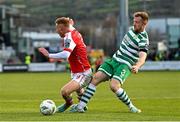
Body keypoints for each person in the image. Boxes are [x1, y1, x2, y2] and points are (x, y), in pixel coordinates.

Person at [70, 11, 149, 113]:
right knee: (95, 79)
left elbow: (143, 57)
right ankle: (80, 107)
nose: (134, 24)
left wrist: (137, 66)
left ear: (144, 23)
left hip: (125, 64)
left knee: (114, 86)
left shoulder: (143, 39)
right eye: (134, 21)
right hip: (114, 60)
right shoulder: (131, 30)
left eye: (137, 22)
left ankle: (131, 106)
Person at [38, 17, 92, 112]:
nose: (57, 31)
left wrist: (49, 55)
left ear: (63, 29)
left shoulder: (69, 36)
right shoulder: (73, 30)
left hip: (83, 72)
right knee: (79, 90)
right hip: (77, 71)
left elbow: (66, 54)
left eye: (58, 29)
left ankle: (69, 104)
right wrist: (69, 22)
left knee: (64, 92)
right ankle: (82, 105)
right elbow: (69, 25)